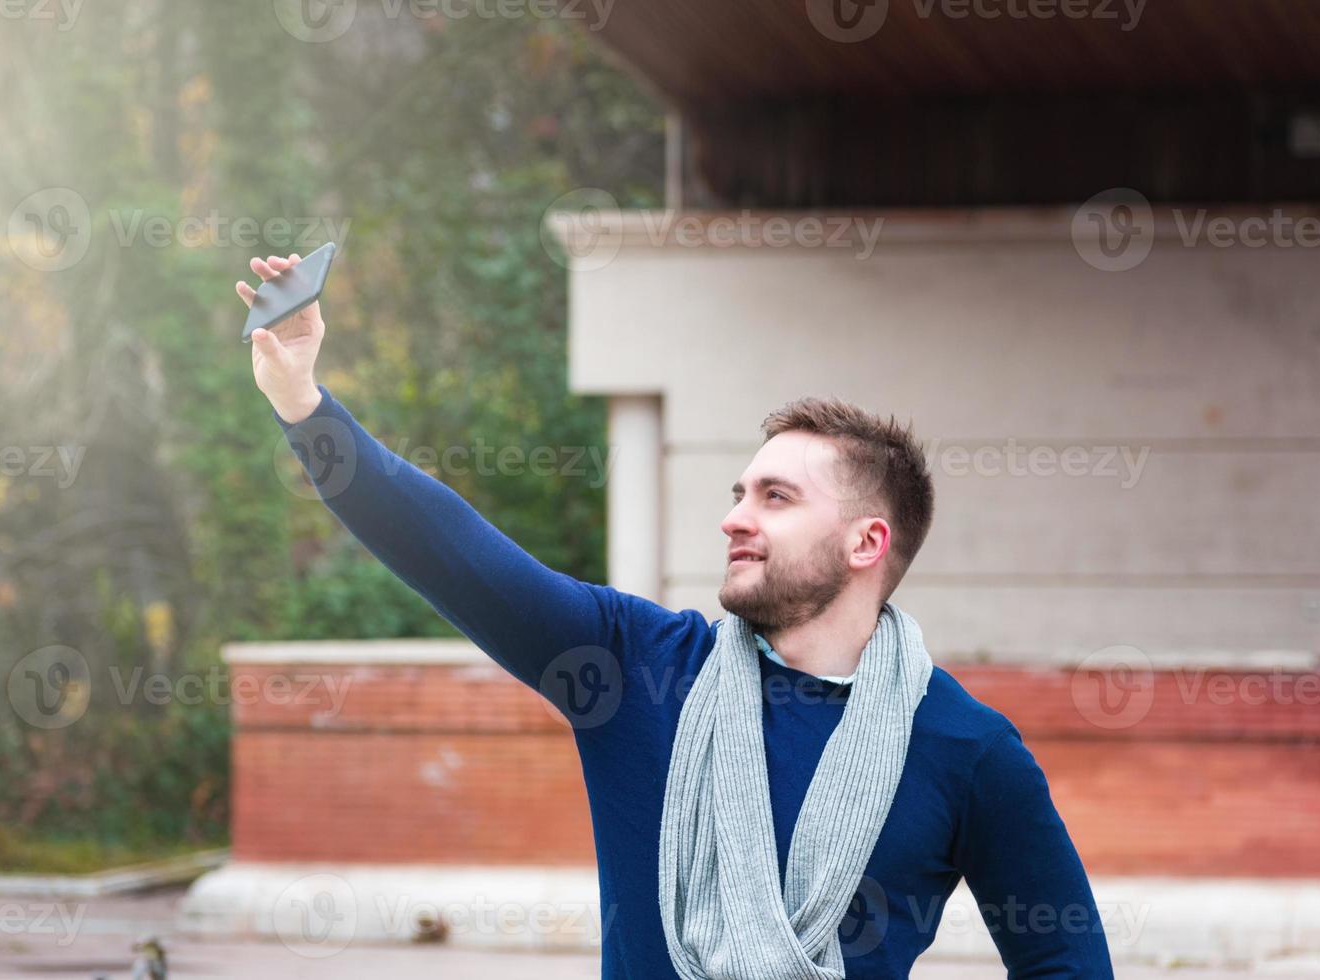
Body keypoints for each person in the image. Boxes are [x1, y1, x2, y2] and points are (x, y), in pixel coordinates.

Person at [238, 254, 1115, 979]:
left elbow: (1066, 961)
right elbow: (449, 550)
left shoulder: (967, 748)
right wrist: (305, 407)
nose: (736, 516)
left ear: (865, 543)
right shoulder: (634, 666)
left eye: (776, 498)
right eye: (739, 493)